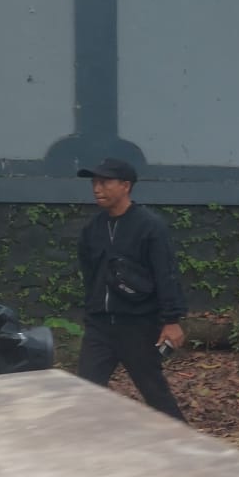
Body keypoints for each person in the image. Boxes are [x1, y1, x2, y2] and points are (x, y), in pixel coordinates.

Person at [75, 158, 189, 420]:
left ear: (125, 186)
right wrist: (92, 314)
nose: (97, 188)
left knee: (154, 392)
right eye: (94, 182)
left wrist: (171, 320)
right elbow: (90, 277)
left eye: (105, 182)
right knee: (85, 391)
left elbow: (166, 274)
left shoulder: (149, 226)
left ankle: (182, 439)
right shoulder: (91, 230)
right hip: (100, 327)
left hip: (137, 326)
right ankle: (86, 441)